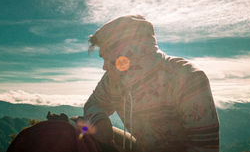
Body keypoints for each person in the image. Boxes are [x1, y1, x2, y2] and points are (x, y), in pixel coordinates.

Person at [84, 15, 219, 152]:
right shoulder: (112, 80)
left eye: (109, 58)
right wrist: (99, 121)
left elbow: (205, 148)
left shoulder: (188, 78)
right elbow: (93, 104)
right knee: (76, 126)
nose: (104, 67)